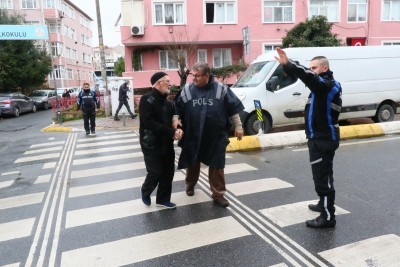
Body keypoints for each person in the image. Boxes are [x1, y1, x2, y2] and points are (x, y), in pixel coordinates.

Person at [274, 47, 342, 228]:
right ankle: (323, 204)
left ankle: (328, 217)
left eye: (315, 68)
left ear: (324, 69)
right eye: (311, 67)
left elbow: (309, 77)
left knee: (323, 178)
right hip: (318, 138)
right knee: (323, 175)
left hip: (323, 139)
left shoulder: (327, 86)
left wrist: (290, 64)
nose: (312, 71)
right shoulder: (321, 88)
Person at [173, 62, 244, 208]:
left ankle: (218, 194)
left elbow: (233, 109)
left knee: (217, 165)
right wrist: (175, 119)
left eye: (197, 76)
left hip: (216, 136)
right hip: (193, 134)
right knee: (192, 161)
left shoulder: (221, 89)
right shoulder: (187, 90)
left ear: (207, 75)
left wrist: (238, 126)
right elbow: (177, 108)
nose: (193, 79)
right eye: (192, 75)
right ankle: (190, 185)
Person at [139, 72, 183, 209]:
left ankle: (163, 200)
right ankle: (145, 191)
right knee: (155, 172)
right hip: (151, 143)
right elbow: (148, 122)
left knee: (168, 172)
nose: (170, 84)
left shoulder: (168, 102)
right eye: (167, 81)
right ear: (159, 83)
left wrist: (178, 126)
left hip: (166, 143)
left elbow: (174, 116)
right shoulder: (146, 99)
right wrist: (171, 132)